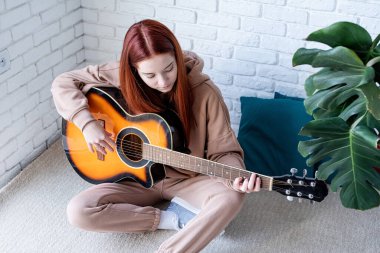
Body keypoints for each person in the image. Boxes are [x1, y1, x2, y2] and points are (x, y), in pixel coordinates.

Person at [51, 19, 260, 253]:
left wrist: (235, 175)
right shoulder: (117, 76)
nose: (163, 81)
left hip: (187, 179)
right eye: (150, 75)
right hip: (135, 179)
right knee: (79, 211)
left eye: (169, 69)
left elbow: (225, 151)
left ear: (177, 58)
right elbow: (63, 83)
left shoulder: (205, 92)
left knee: (231, 197)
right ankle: (169, 218)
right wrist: (86, 123)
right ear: (133, 70)